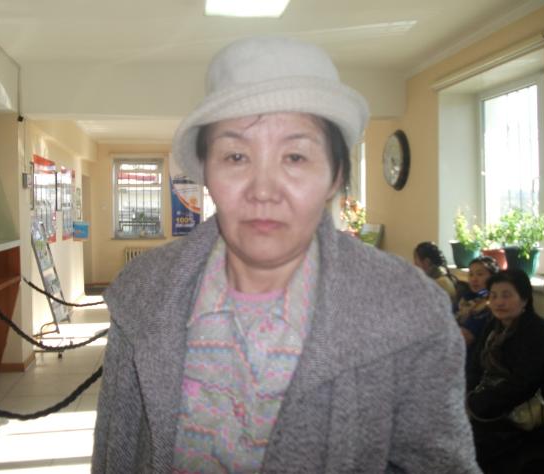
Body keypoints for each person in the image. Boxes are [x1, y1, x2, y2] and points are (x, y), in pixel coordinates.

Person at [92, 36, 479, 473]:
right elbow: (116, 449)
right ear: (206, 173)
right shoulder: (144, 294)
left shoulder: (409, 311)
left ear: (335, 176)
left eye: (295, 157)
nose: (263, 191)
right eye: (236, 156)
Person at [466, 268, 544, 472]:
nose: (498, 302)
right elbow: (475, 366)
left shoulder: (538, 331)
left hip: (538, 408)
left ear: (525, 299)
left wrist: (476, 404)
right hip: (497, 400)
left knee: (476, 444)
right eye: (493, 296)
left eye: (506, 295)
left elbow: (523, 384)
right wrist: (466, 394)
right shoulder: (494, 326)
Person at [456, 256, 499, 350]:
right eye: (471, 274)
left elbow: (465, 338)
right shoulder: (467, 298)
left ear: (493, 277)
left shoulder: (488, 305)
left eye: (480, 274)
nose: (474, 279)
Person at [414, 241, 459, 307]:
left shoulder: (440, 284)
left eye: (416, 263)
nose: (414, 266)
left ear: (426, 262)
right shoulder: (439, 279)